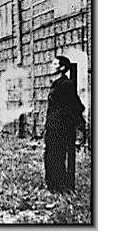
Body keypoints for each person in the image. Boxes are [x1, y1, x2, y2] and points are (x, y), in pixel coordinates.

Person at [44, 55, 86, 193]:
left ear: (62, 68)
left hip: (61, 126)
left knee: (57, 156)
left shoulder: (66, 84)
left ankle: (60, 187)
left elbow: (76, 106)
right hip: (53, 126)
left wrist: (78, 127)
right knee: (51, 155)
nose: (51, 65)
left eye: (54, 63)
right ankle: (53, 186)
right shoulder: (56, 83)